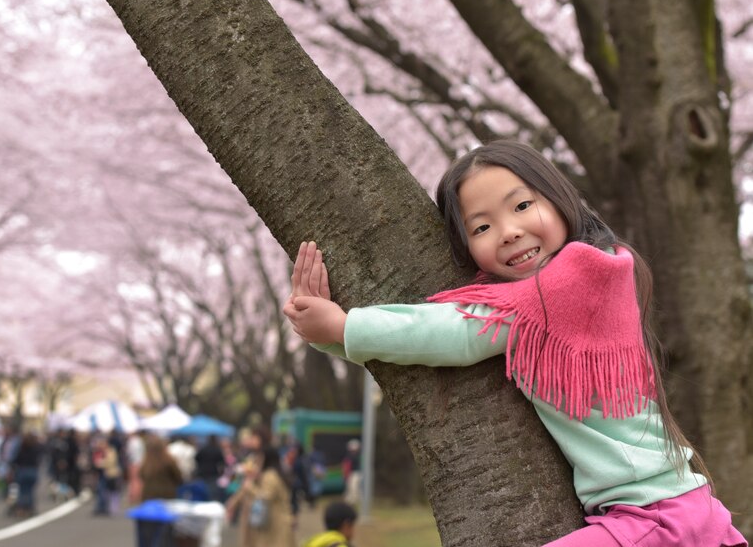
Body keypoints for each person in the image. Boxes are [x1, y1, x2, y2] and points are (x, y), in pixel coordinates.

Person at [283, 140, 748, 547]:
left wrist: (344, 329)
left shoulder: (581, 273)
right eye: (481, 227)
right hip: (668, 512)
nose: (508, 231)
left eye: (522, 206)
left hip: (659, 518)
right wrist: (329, 337)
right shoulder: (566, 282)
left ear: (560, 198)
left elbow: (463, 330)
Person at [226, 446, 295, 547]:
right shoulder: (269, 474)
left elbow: (266, 496)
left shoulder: (270, 476)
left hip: (276, 523)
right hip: (271, 522)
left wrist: (250, 488)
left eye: (259, 458)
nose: (257, 462)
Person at [135, 436, 184, 547]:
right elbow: (179, 478)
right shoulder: (169, 460)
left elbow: (141, 475)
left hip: (149, 498)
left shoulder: (146, 462)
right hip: (167, 497)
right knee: (165, 531)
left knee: (148, 530)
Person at [10, 431, 43, 518]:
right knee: (30, 491)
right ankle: (29, 508)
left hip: (23, 470)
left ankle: (21, 509)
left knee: (22, 491)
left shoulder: (21, 447)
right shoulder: (37, 447)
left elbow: (15, 460)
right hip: (32, 470)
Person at [340, 440, 361, 508]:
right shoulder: (349, 456)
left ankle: (353, 501)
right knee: (350, 488)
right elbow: (346, 466)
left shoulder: (357, 456)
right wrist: (346, 474)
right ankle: (349, 501)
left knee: (354, 488)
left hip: (356, 473)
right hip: (350, 473)